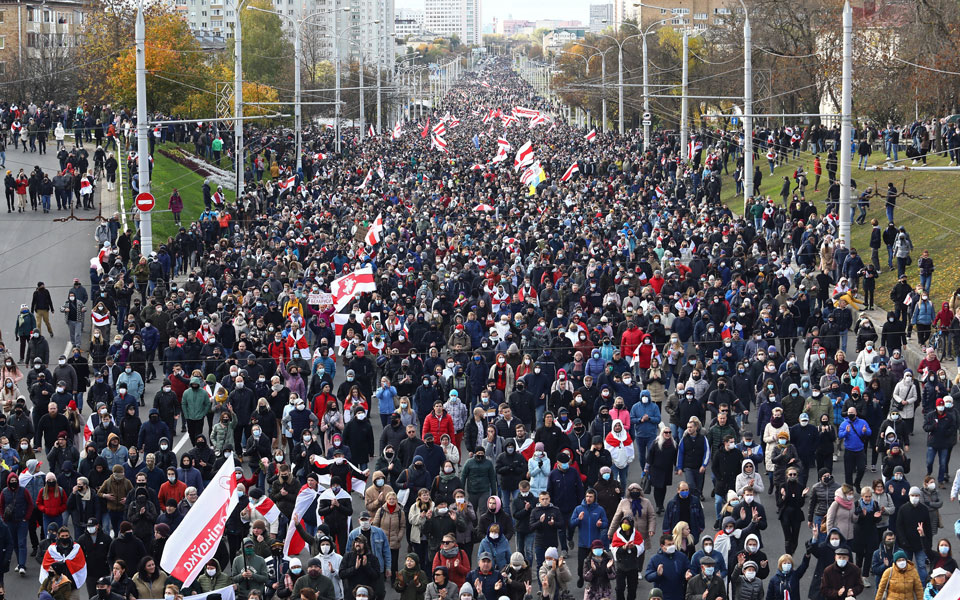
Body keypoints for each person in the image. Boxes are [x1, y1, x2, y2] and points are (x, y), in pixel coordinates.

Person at [645, 535, 692, 600]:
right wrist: (657, 574)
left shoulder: (682, 557)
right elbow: (648, 576)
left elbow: (690, 570)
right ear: (662, 546)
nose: (672, 546)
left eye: (673, 544)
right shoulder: (655, 559)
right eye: (669, 544)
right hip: (662, 596)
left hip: (678, 595)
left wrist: (688, 575)